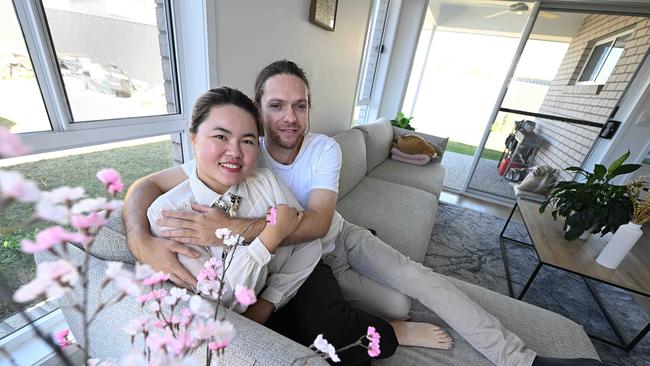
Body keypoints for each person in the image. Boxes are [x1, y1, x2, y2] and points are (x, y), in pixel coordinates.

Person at [124, 61, 604, 366]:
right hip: (301, 263)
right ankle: (392, 330)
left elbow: (312, 224)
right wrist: (139, 240)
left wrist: (230, 228)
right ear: (259, 109)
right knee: (393, 308)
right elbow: (146, 186)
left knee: (422, 282)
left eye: (300, 106)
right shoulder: (238, 149)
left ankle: (523, 360)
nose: (289, 117)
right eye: (276, 106)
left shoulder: (321, 149)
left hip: (336, 236)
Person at [147, 86, 321, 315]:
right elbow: (225, 299)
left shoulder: (264, 180)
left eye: (247, 141)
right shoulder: (170, 212)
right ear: (193, 139)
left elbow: (310, 245)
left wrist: (268, 302)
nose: (235, 152)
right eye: (220, 136)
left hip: (291, 288)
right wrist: (271, 235)